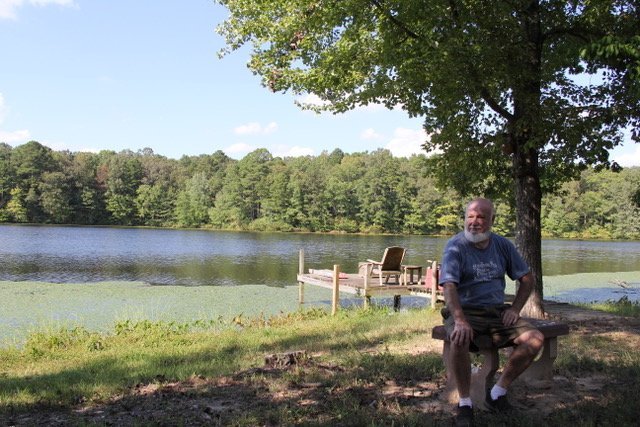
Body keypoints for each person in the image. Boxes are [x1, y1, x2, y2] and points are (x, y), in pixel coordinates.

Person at [438, 198, 544, 427]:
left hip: (497, 312)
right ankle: (465, 403)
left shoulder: (502, 245)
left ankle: (497, 393)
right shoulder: (455, 246)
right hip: (465, 310)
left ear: (491, 221)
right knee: (458, 337)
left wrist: (515, 309)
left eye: (481, 217)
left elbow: (527, 279)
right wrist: (459, 319)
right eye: (471, 217)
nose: (474, 222)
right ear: (465, 219)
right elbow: (449, 286)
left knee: (535, 339)